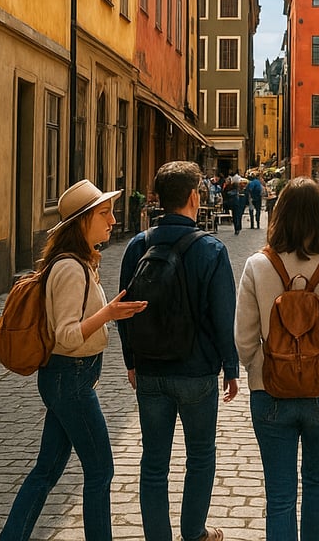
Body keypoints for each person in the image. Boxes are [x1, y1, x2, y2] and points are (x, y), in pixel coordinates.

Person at [0, 180, 149, 541]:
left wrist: (109, 312)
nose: (113, 220)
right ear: (81, 222)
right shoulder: (70, 269)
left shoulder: (80, 263)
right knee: (100, 470)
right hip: (72, 380)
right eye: (104, 214)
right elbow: (66, 335)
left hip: (69, 379)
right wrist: (109, 313)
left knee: (46, 471)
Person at [235, 177, 319, 541]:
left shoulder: (257, 265)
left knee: (279, 496)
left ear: (279, 215)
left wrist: (258, 371)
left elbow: (244, 338)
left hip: (270, 391)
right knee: (318, 483)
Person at [118, 162, 239, 541]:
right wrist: (231, 367)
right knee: (200, 456)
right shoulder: (210, 249)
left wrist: (131, 360)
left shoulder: (138, 245)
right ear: (193, 197)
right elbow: (224, 316)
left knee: (154, 462)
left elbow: (123, 309)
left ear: (158, 198)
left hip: (151, 369)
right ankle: (194, 532)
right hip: (197, 371)